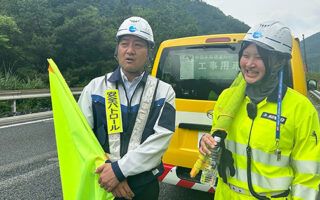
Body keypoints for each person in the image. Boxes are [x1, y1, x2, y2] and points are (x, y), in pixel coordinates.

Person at [199, 21, 320, 199]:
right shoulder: (227, 97)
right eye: (245, 55)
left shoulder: (300, 108)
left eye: (259, 57)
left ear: (280, 61)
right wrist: (207, 143)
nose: (249, 63)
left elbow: (308, 176)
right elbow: (216, 138)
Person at [78, 16, 176, 200]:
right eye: (124, 44)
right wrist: (110, 173)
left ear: (150, 52)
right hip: (103, 183)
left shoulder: (164, 91)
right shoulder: (95, 88)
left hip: (144, 186)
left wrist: (119, 171)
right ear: (117, 49)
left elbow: (160, 140)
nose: (130, 51)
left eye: (138, 45)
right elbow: (81, 137)